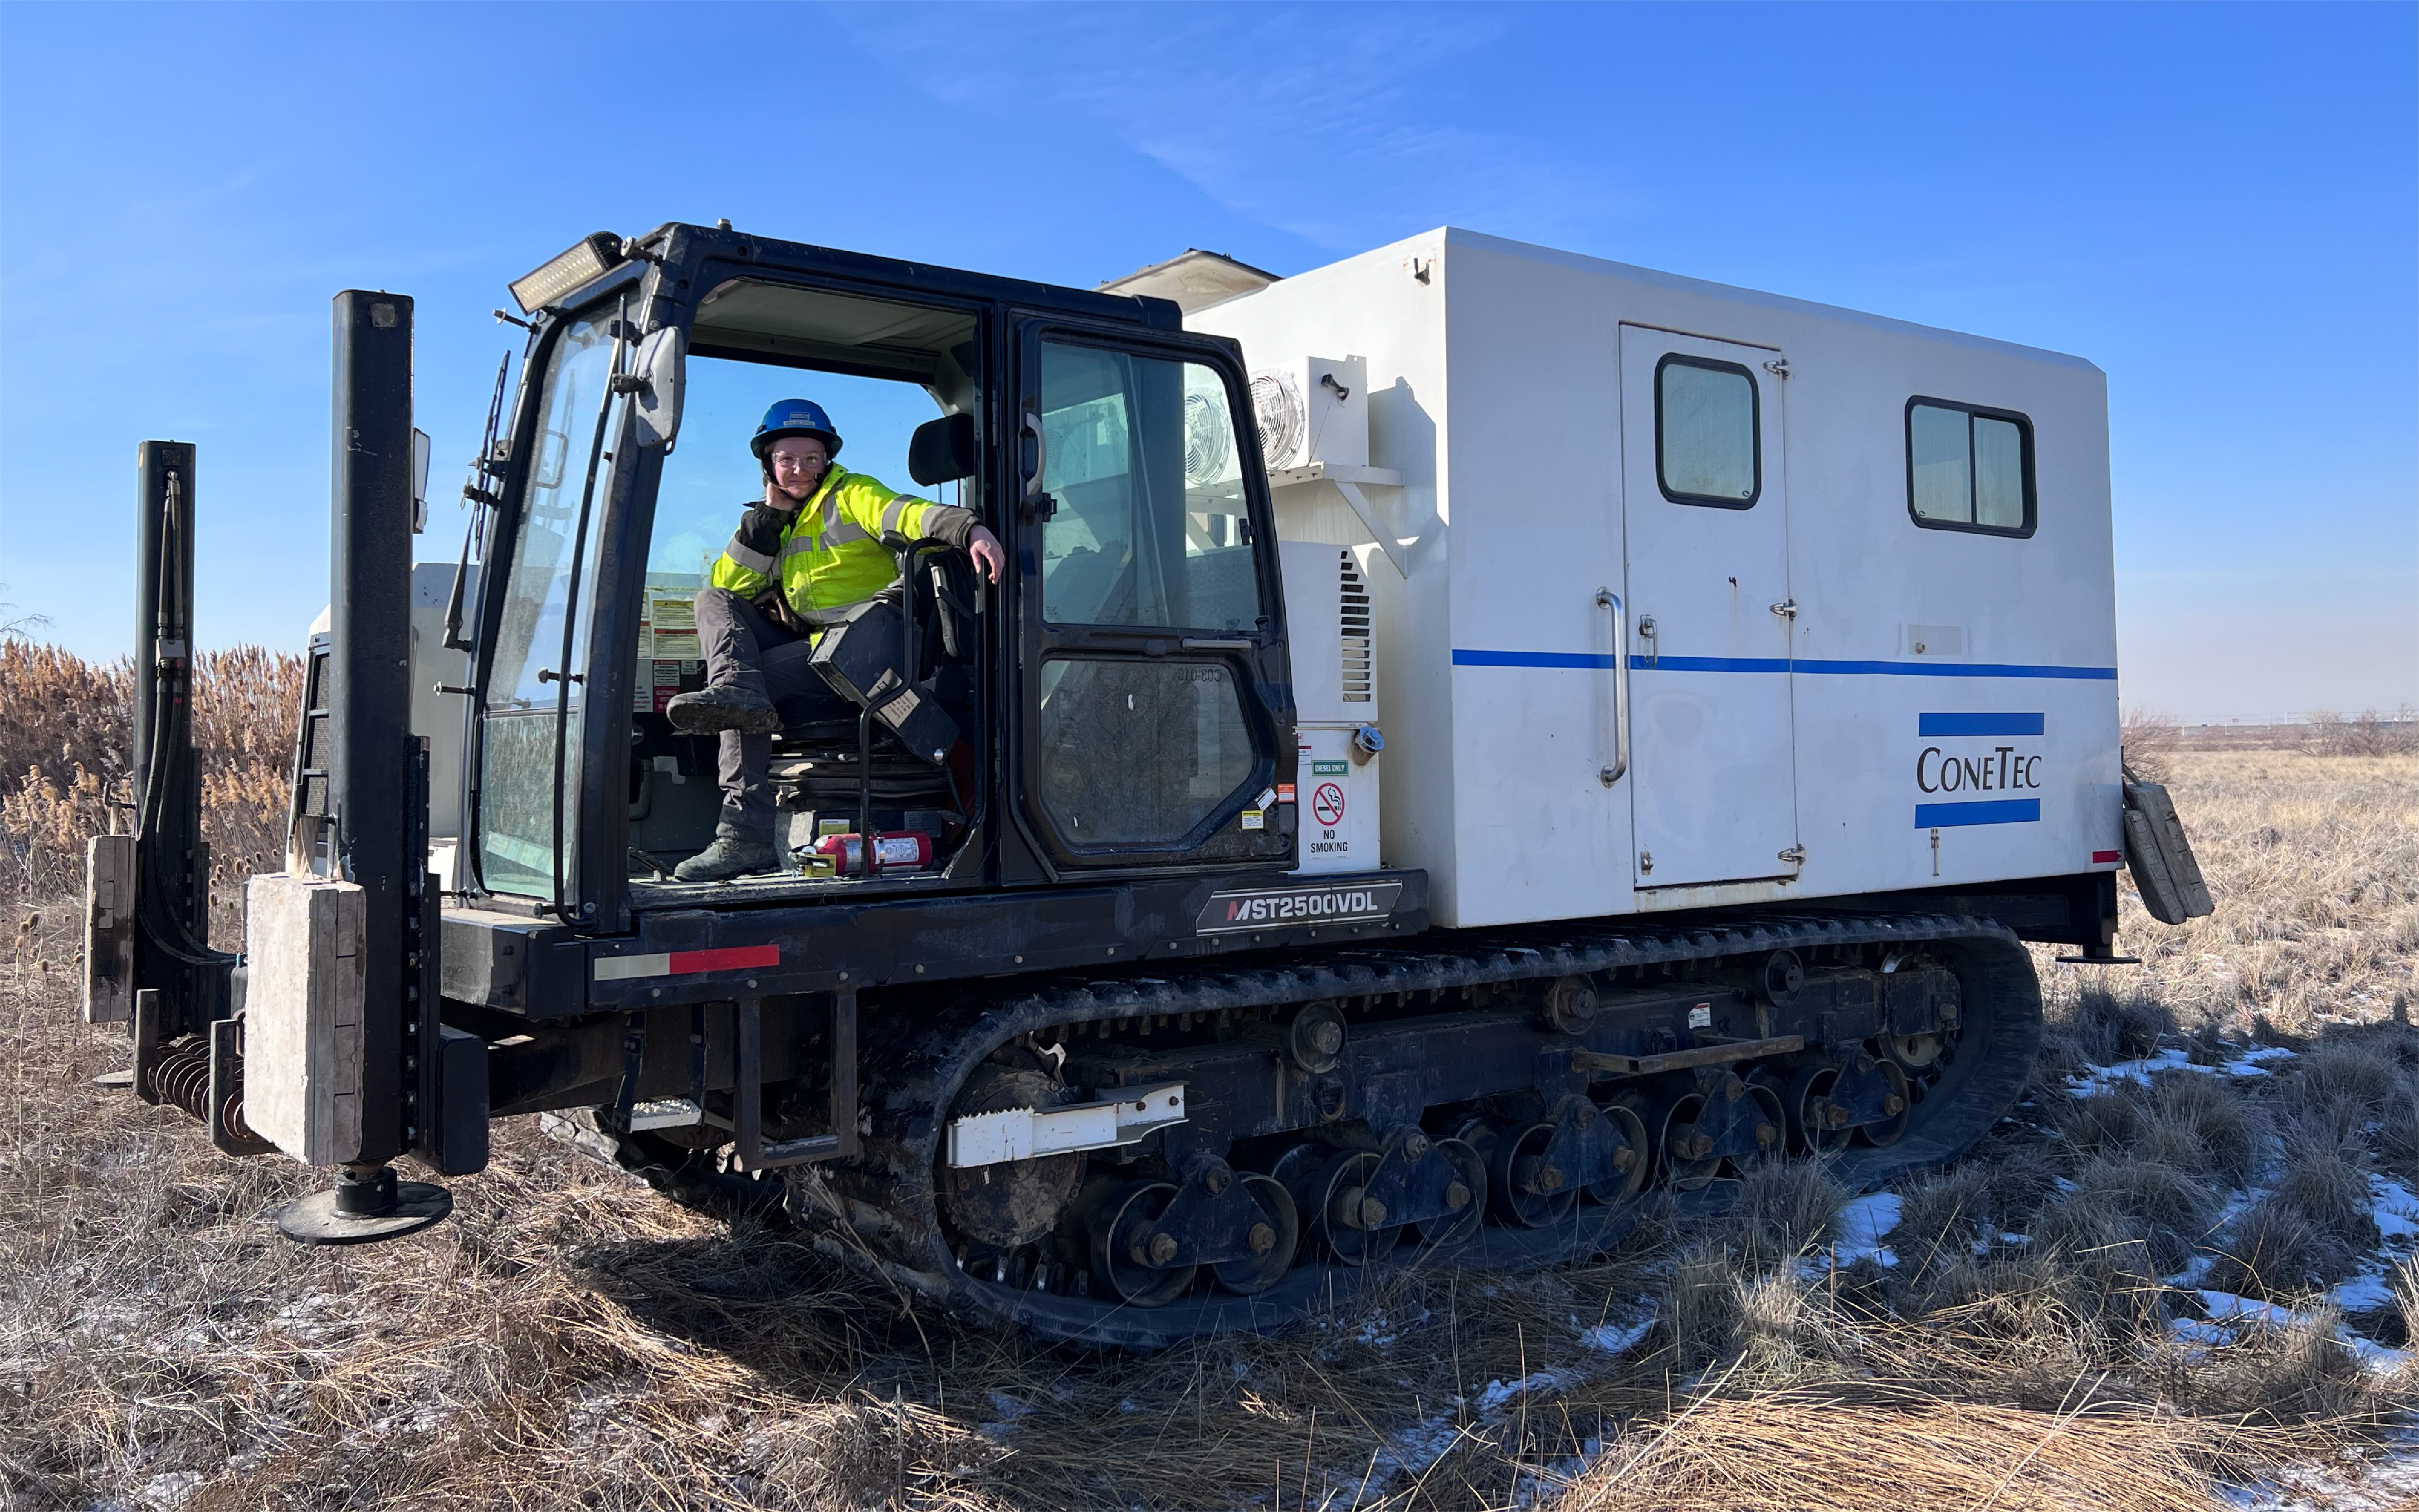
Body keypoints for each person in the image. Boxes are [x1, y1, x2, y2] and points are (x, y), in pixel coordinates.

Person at [665, 398, 1004, 883]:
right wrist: (766, 523)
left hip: (856, 658)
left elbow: (909, 514)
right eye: (787, 459)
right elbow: (733, 589)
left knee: (747, 693)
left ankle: (744, 837)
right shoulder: (775, 522)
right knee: (713, 602)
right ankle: (737, 689)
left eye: (811, 458)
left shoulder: (853, 494)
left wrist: (968, 528)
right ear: (768, 464)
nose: (799, 469)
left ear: (827, 459)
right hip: (808, 648)